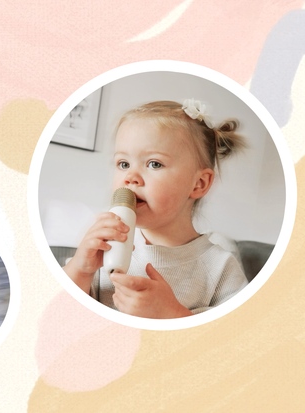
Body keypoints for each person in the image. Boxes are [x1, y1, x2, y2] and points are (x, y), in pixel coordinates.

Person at [64, 99, 249, 319]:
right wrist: (80, 269)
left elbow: (234, 337)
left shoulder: (220, 267)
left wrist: (172, 314)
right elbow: (58, 311)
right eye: (123, 164)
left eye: (154, 164)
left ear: (198, 184)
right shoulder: (104, 249)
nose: (130, 177)